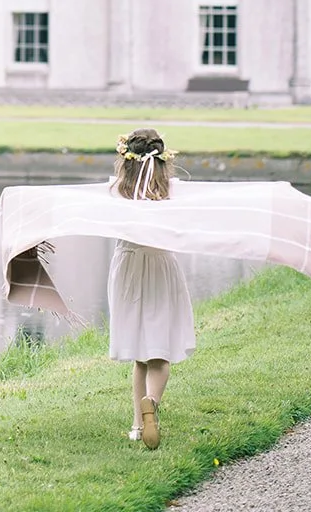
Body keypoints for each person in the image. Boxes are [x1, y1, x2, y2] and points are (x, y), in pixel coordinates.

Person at [107, 127, 193, 450]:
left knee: (140, 357)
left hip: (127, 269)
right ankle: (151, 405)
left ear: (125, 161)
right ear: (162, 161)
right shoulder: (171, 192)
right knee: (160, 352)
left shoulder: (115, 192)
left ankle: (136, 425)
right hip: (159, 266)